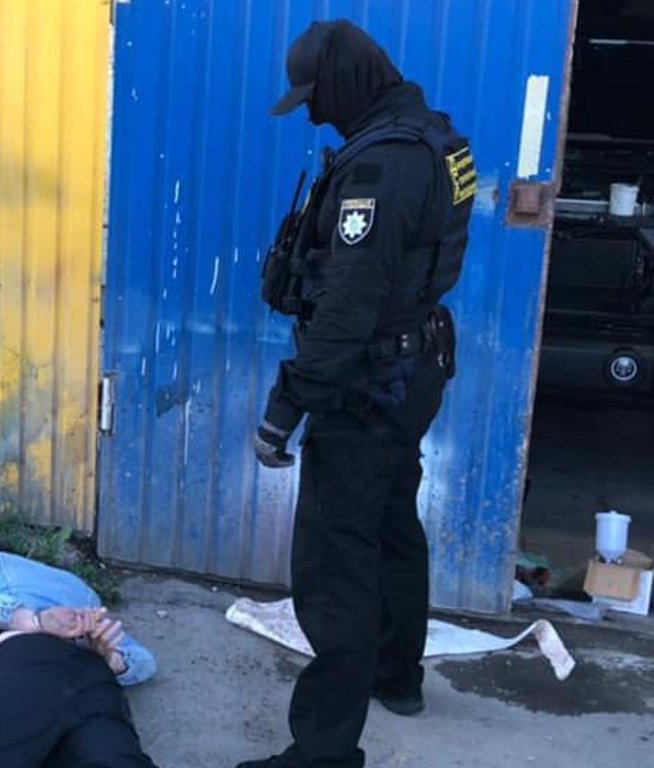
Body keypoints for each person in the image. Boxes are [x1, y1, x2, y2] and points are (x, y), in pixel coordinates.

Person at [244, 19, 474, 768]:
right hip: (414, 368)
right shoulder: (438, 139)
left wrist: (286, 408)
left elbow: (348, 304)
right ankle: (396, 676)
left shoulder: (380, 166)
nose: (313, 113)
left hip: (366, 382)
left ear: (345, 82)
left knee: (334, 558)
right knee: (391, 523)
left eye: (315, 97)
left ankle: (322, 752)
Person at [0, 550, 159, 768]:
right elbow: (143, 661)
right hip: (93, 675)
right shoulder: (85, 595)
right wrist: (111, 660)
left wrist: (32, 620)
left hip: (30, 659)